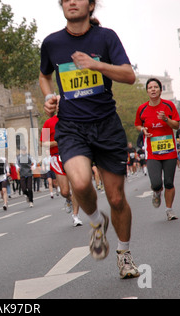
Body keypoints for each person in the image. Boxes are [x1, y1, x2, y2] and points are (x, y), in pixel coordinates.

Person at [40, 0, 139, 278]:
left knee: (117, 198)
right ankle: (97, 222)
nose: (72, 1)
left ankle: (124, 253)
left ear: (91, 5)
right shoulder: (51, 43)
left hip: (106, 125)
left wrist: (95, 64)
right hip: (71, 126)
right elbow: (44, 75)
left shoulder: (106, 37)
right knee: (81, 183)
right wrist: (49, 97)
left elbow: (129, 75)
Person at [135, 78, 180, 221]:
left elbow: (176, 126)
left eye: (156, 87)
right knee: (156, 183)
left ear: (160, 90)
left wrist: (166, 119)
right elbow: (137, 124)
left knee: (168, 183)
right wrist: (143, 130)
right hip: (152, 151)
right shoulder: (142, 108)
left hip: (169, 150)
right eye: (150, 87)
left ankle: (169, 210)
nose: (153, 89)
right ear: (147, 91)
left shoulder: (169, 105)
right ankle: (156, 192)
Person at [41, 114, 82, 226]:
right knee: (64, 191)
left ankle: (75, 216)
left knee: (75, 187)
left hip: (72, 154)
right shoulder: (48, 122)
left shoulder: (73, 118)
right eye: (58, 103)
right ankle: (69, 199)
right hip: (56, 157)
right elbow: (43, 143)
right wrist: (57, 142)